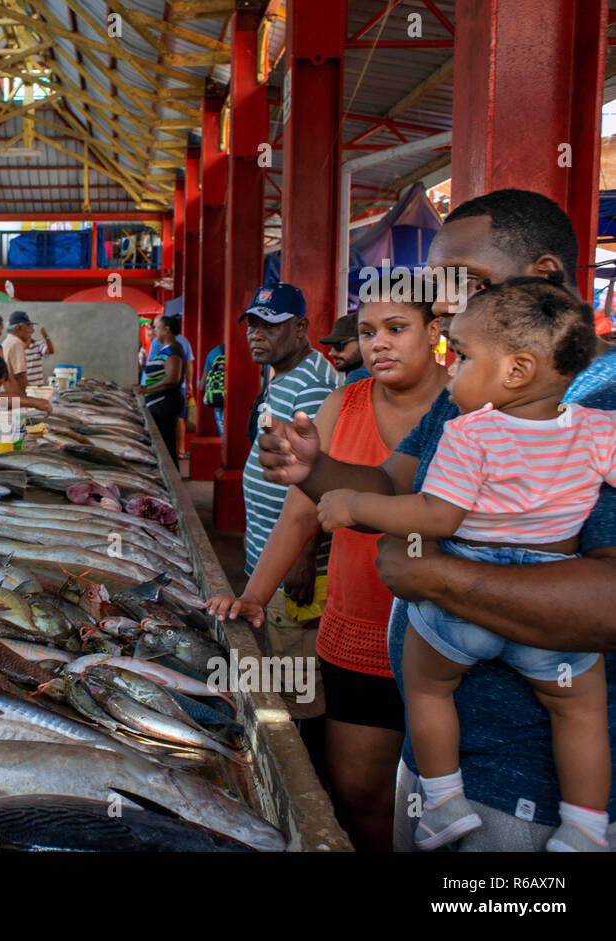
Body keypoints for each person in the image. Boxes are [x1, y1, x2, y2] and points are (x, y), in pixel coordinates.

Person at [256, 187, 616, 852]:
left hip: (526, 791)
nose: (447, 300)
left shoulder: (602, 401)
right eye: (440, 282)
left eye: (468, 280)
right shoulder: (476, 390)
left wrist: (436, 576)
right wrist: (319, 469)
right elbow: (392, 480)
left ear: (545, 278)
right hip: (443, 764)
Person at [206, 288, 448, 852]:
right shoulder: (346, 403)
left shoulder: (464, 403)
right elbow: (299, 511)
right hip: (356, 623)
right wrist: (254, 596)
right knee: (358, 791)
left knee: (444, 797)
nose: (379, 344)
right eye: (368, 333)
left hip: (446, 634)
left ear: (434, 330)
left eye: (396, 328)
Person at [239, 283, 339, 667]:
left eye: (270, 326)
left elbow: (319, 477)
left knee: (293, 677)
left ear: (300, 327)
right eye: (251, 325)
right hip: (271, 554)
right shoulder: (283, 373)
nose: (256, 334)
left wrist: (303, 557)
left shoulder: (313, 384)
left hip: (292, 565)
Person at [136, 315, 185, 466]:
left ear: (167, 329)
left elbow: (173, 379)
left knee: (167, 448)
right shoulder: (166, 349)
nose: (153, 331)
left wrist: (147, 389)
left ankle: (173, 483)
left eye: (156, 327)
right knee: (165, 447)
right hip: (159, 404)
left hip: (165, 405)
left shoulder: (173, 350)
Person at [321, 313, 369, 384]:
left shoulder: (358, 377)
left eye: (339, 345)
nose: (331, 353)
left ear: (363, 341)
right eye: (330, 346)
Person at [1, 310, 42, 392]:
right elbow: (20, 376)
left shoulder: (7, 341)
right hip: (14, 397)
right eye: (28, 326)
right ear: (18, 328)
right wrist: (30, 396)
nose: (31, 331)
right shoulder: (16, 343)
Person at [201, 343, 226, 441]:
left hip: (219, 402)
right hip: (244, 405)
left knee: (225, 439)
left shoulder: (214, 353)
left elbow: (202, 386)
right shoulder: (252, 350)